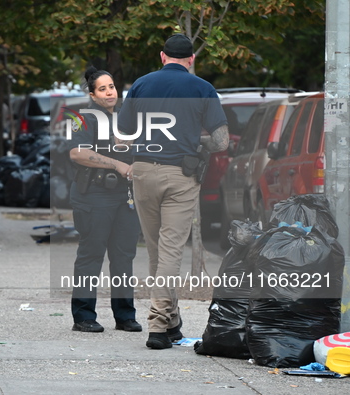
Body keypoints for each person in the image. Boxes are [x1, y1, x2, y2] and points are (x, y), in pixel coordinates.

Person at [116, 34, 229, 349]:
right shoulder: (202, 88)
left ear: (162, 56)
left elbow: (123, 134)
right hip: (180, 175)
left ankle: (171, 322)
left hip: (142, 172)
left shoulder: (140, 85)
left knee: (156, 251)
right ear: (192, 59)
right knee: (170, 252)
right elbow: (221, 142)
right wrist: (196, 140)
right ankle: (157, 326)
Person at [67, 66, 142, 333]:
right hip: (94, 196)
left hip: (125, 197)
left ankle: (125, 316)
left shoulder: (125, 118)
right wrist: (116, 165)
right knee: (91, 256)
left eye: (111, 86)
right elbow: (77, 153)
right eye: (103, 88)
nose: (110, 92)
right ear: (92, 94)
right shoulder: (81, 118)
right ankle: (84, 316)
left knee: (124, 257)